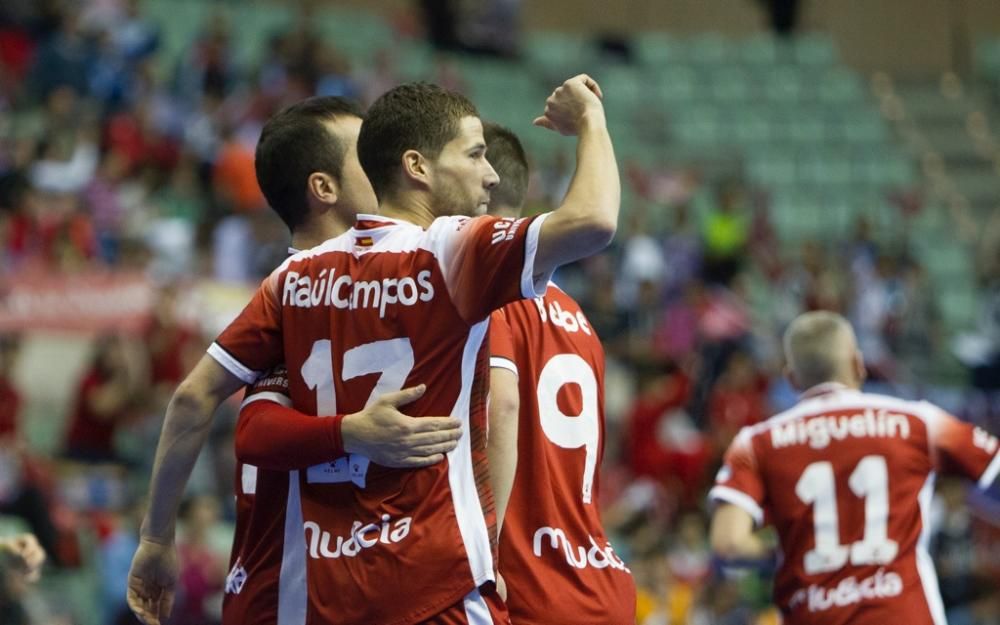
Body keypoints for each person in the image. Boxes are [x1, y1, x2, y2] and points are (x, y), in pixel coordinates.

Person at [199, 75, 618, 624]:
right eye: (474, 155)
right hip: (440, 580)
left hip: (336, 585)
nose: (488, 173)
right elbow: (595, 220)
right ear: (417, 167)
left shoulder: (295, 276)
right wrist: (590, 120)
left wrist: (154, 537)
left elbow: (208, 406)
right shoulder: (450, 252)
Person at [127, 96, 465, 625]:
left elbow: (196, 397)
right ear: (323, 189)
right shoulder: (297, 292)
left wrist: (155, 537)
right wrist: (155, 538)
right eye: (365, 151)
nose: (386, 156)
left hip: (331, 583)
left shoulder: (355, 280)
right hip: (291, 588)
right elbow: (218, 411)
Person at [708, 311, 1000, 625]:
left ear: (791, 378)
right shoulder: (918, 422)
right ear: (858, 365)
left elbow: (729, 542)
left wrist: (788, 552)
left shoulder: (756, 443)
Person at [482, 122, 637, 624]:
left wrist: (485, 551)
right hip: (597, 575)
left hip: (527, 585)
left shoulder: (484, 297)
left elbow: (499, 409)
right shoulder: (579, 318)